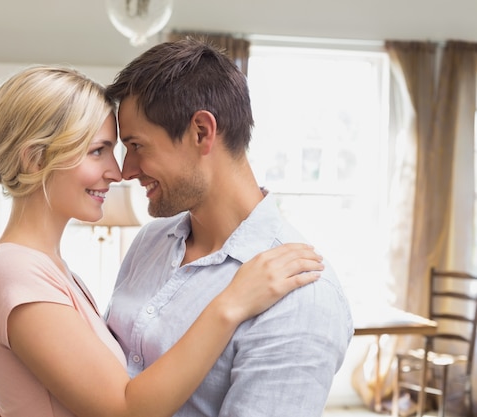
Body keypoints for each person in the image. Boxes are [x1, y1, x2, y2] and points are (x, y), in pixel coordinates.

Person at [0, 65, 326, 417]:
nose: (118, 171)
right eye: (98, 151)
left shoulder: (47, 269)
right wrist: (230, 304)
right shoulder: (16, 274)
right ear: (35, 159)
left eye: (128, 146)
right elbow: (124, 408)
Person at [104, 38, 354, 417]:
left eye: (137, 145)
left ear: (202, 132)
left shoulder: (302, 297)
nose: (126, 170)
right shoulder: (150, 241)